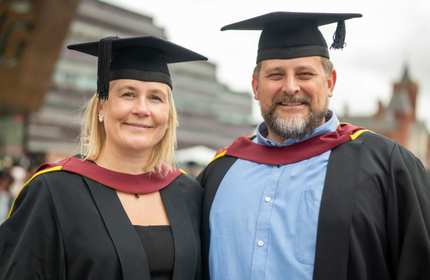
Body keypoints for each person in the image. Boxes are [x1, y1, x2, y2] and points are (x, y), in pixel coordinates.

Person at [198, 12, 430, 280]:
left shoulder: (387, 167)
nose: (291, 87)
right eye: (275, 75)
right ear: (255, 86)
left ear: (329, 83)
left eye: (305, 74)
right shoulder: (219, 172)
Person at [0, 36, 207, 280]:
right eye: (128, 94)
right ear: (100, 108)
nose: (142, 109)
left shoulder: (188, 193)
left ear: (168, 114)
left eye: (155, 97)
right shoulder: (53, 191)